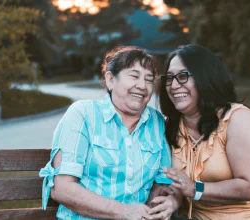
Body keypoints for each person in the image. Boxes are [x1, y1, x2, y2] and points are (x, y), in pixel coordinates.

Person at [39, 46, 179, 220]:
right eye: (134, 76)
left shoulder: (157, 123)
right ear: (111, 80)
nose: (142, 86)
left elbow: (162, 182)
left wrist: (151, 212)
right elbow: (62, 188)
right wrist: (123, 211)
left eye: (149, 80)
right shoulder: (83, 114)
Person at [156, 44, 250, 219]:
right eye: (169, 78)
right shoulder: (171, 126)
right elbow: (180, 184)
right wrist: (173, 201)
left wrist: (195, 188)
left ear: (205, 78)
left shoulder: (236, 119)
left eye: (183, 76)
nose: (173, 85)